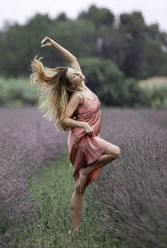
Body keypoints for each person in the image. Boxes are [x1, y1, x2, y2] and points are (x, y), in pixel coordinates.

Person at [29, 36, 121, 235]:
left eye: (77, 73)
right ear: (71, 85)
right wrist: (82, 124)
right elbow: (63, 120)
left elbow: (72, 59)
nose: (78, 74)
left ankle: (75, 230)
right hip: (81, 139)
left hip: (88, 135)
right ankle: (86, 171)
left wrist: (53, 44)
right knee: (115, 151)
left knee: (80, 189)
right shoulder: (78, 95)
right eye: (74, 76)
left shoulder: (85, 88)